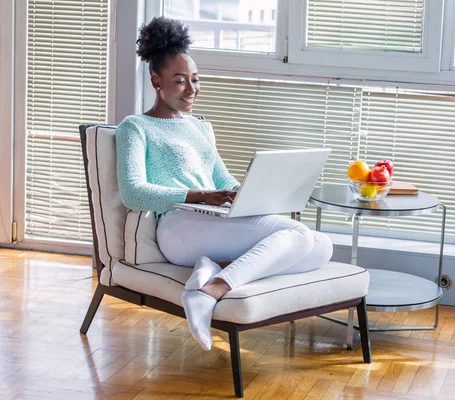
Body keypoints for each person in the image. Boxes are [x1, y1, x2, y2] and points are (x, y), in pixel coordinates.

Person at [115, 17, 333, 351]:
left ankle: (214, 268)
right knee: (299, 236)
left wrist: (251, 195)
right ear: (156, 80)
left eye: (195, 80)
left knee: (321, 247)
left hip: (213, 222)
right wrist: (199, 195)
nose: (191, 89)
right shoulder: (137, 127)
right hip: (177, 226)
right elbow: (133, 192)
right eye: (180, 81)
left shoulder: (199, 127)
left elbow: (222, 180)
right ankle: (210, 291)